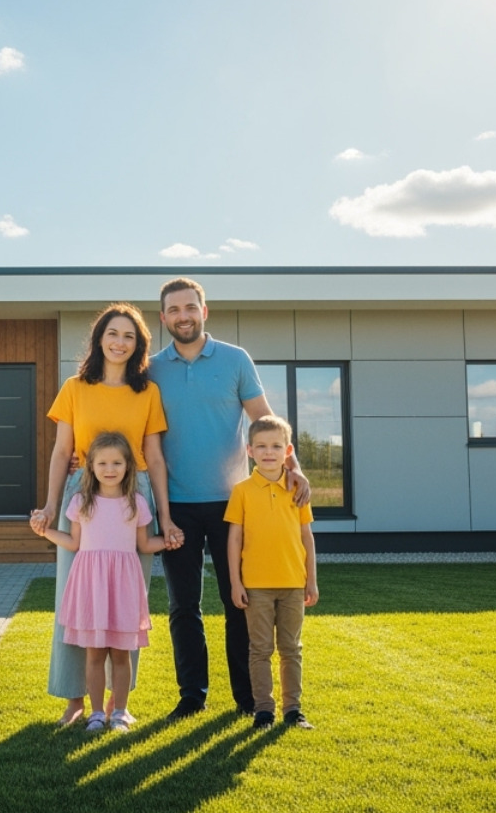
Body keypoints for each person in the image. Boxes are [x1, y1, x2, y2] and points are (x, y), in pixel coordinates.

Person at [150, 277, 308, 719]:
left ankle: (247, 698)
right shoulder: (151, 370)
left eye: (190, 307)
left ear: (204, 311)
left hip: (233, 506)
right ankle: (191, 696)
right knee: (183, 607)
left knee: (239, 602)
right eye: (174, 310)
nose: (183, 316)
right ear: (163, 318)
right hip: (176, 505)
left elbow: (264, 421)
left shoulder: (236, 360)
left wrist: (295, 468)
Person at [29, 303, 184, 726]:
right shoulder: (75, 387)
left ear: (139, 346)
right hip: (83, 495)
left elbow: (154, 456)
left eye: (129, 336)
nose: (120, 342)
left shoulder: (147, 392)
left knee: (126, 605)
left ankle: (119, 705)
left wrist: (166, 517)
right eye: (113, 333)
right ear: (99, 339)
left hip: (135, 496)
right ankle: (75, 699)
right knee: (75, 600)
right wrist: (50, 504)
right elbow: (62, 451)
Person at [33, 431, 167, 731]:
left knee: (121, 653)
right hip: (92, 587)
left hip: (123, 588)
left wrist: (170, 540)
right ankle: (95, 713)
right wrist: (45, 532)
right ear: (90, 466)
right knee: (93, 654)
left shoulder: (136, 503)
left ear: (128, 466)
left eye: (117, 463)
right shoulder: (81, 502)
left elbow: (145, 545)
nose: (110, 469)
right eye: (103, 463)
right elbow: (73, 543)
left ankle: (119, 712)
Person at [226, 415, 318, 730]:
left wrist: (311, 581)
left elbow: (307, 538)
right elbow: (234, 540)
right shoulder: (242, 491)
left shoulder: (297, 489)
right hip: (256, 587)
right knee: (260, 650)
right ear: (249, 450)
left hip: (293, 584)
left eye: (276, 446)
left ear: (288, 451)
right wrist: (236, 583)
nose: (269, 452)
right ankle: (264, 710)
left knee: (291, 649)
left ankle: (294, 710)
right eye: (262, 446)